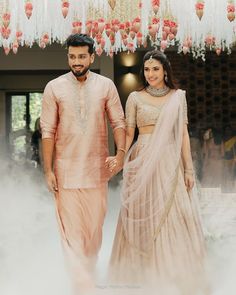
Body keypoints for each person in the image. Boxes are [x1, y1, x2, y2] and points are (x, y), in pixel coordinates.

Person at [109, 50, 207, 294]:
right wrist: (121, 157)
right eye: (147, 69)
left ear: (165, 70)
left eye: (155, 69)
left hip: (169, 161)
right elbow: (129, 134)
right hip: (142, 159)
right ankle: (140, 276)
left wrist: (189, 170)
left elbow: (182, 135)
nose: (150, 74)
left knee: (175, 213)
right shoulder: (134, 97)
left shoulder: (178, 96)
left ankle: (175, 276)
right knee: (143, 212)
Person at [40, 34, 126, 294]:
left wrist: (120, 154)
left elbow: (119, 123)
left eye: (81, 56)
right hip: (65, 174)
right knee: (72, 238)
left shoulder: (106, 86)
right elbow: (47, 131)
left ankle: (87, 280)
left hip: (96, 173)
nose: (76, 61)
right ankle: (82, 288)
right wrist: (47, 170)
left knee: (93, 235)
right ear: (68, 56)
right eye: (72, 56)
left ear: (92, 56)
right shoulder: (53, 87)